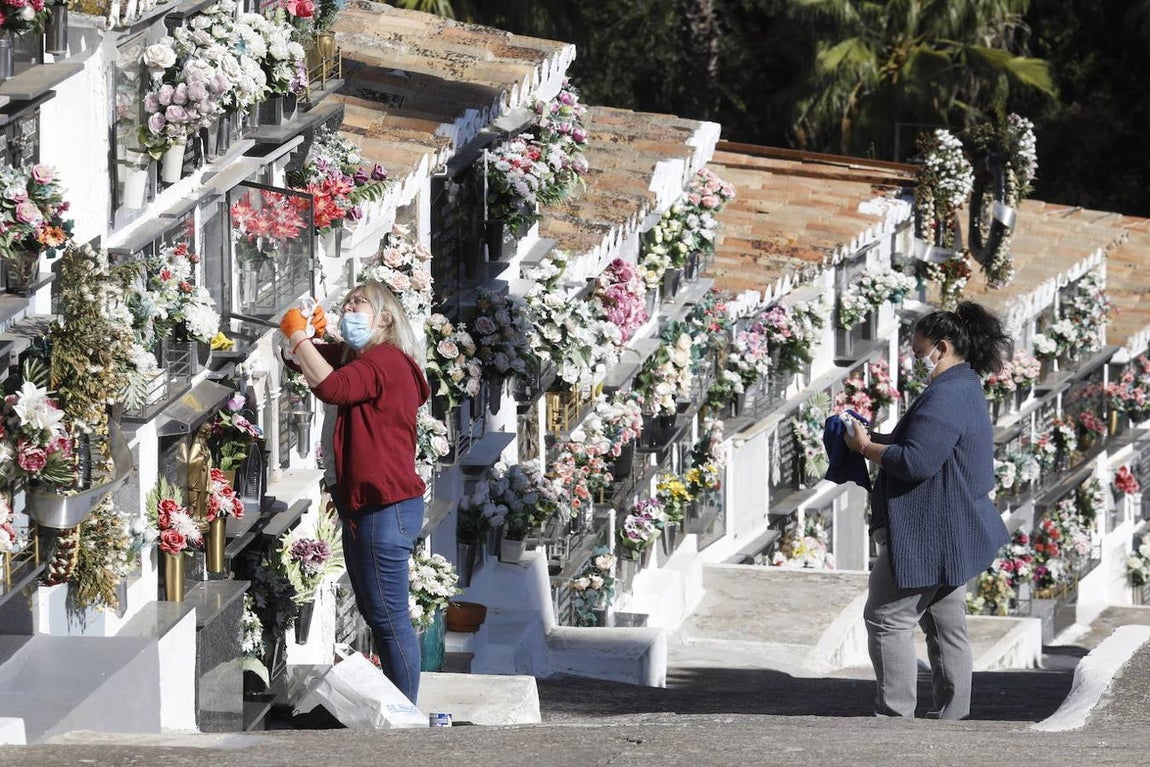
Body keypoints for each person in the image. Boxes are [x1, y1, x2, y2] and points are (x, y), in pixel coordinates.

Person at [843, 301, 1011, 720]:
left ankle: (895, 717)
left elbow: (917, 461)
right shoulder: (962, 386)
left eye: (919, 352)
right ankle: (953, 718)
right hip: (952, 529)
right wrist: (872, 437)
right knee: (945, 625)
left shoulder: (949, 393)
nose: (915, 359)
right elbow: (924, 446)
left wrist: (864, 448)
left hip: (927, 533)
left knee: (886, 618)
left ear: (942, 346)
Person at [280, 280, 431, 704]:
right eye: (345, 303)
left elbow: (332, 387)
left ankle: (404, 710)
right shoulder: (364, 358)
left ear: (385, 318)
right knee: (376, 612)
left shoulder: (385, 362)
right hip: (368, 506)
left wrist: (297, 334)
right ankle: (400, 704)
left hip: (386, 508)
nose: (349, 309)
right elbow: (308, 365)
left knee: (388, 617)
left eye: (358, 303)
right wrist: (306, 338)